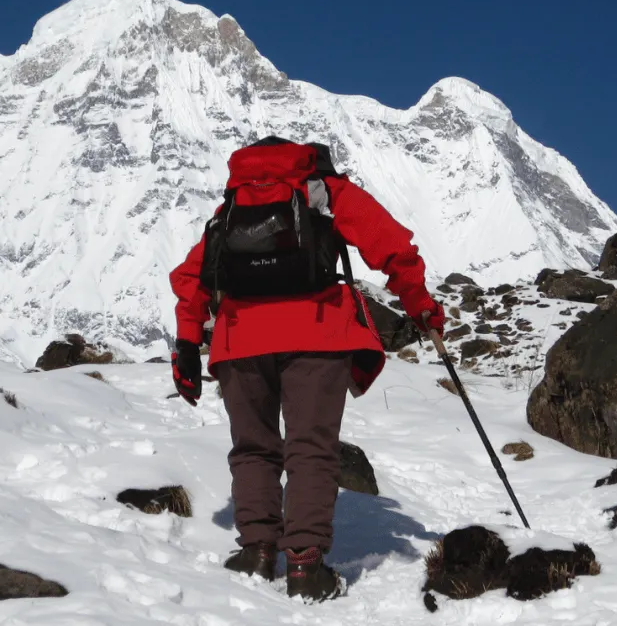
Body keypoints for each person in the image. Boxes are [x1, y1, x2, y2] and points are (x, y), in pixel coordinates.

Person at [168, 136, 444, 602]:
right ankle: (305, 564)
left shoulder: (233, 205)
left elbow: (192, 275)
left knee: (253, 447)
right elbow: (390, 245)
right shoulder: (327, 192)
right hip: (316, 334)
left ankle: (256, 550)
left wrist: (188, 345)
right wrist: (420, 306)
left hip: (240, 339)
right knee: (310, 448)